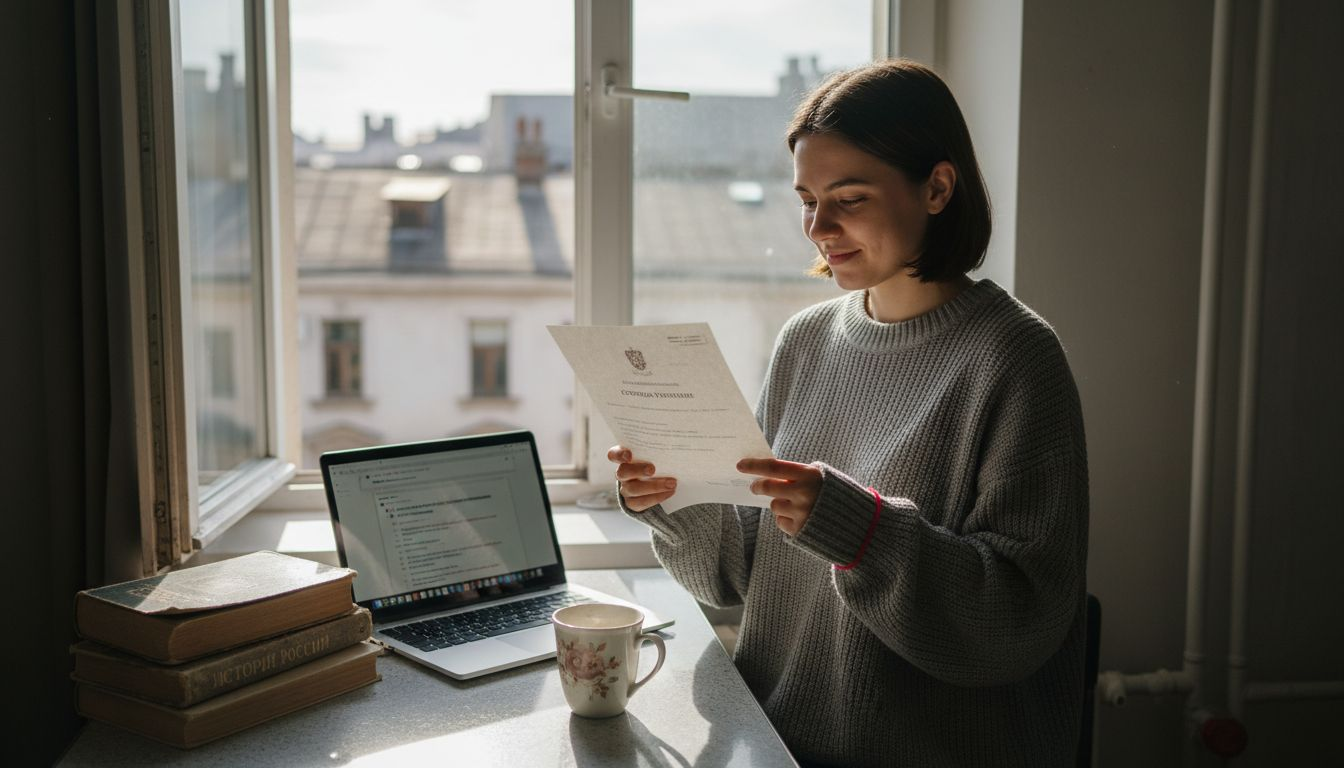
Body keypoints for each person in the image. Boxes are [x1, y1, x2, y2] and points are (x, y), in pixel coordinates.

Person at [610, 59, 1089, 767]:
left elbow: (1018, 621)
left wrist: (859, 529)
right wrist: (678, 498)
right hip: (779, 745)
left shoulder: (1016, 358)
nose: (818, 226)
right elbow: (742, 578)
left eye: (850, 197)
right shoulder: (805, 341)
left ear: (936, 188)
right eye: (806, 199)